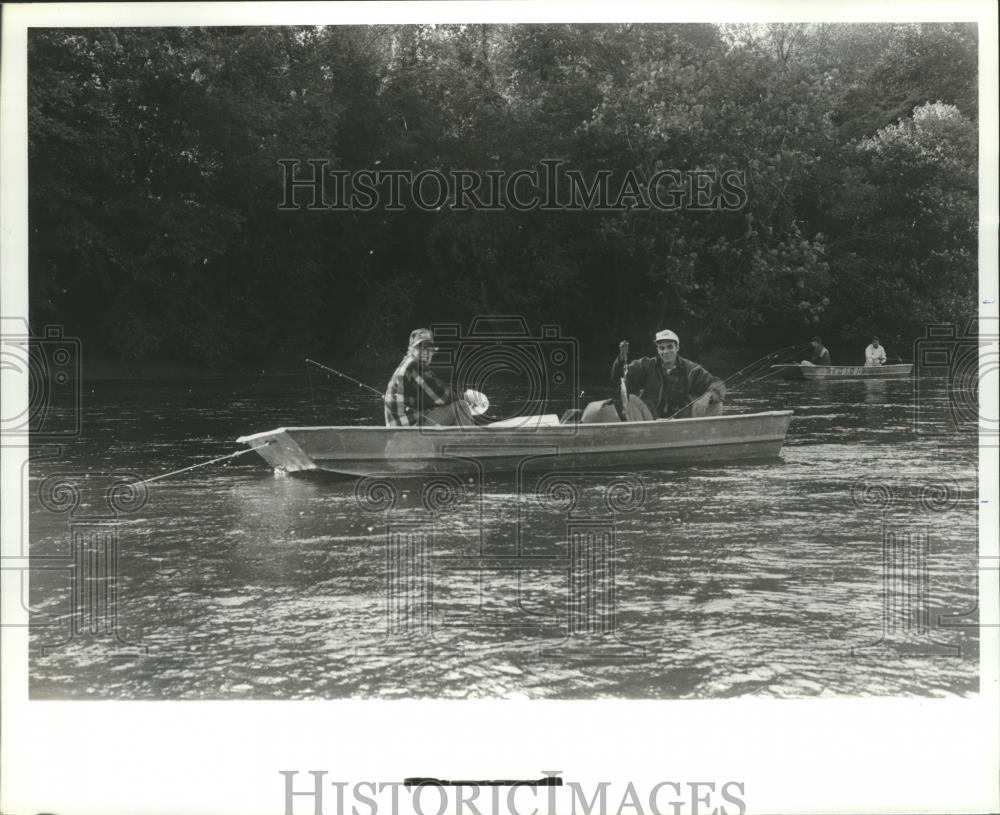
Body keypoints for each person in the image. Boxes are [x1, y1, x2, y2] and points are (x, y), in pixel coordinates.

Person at [610, 329, 725, 420]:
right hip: (650, 418)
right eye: (662, 348)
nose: (665, 351)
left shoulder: (691, 369)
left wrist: (709, 395)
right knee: (632, 399)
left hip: (681, 419)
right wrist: (621, 359)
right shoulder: (646, 365)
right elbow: (618, 377)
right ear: (658, 350)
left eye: (670, 347)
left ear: (677, 347)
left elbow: (718, 385)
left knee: (715, 403)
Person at [384, 328, 473, 427]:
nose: (425, 352)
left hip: (399, 431)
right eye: (421, 348)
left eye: (429, 348)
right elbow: (441, 397)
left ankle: (461, 438)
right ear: (412, 349)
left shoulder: (407, 364)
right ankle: (468, 440)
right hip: (407, 432)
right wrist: (466, 396)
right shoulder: (414, 366)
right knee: (461, 406)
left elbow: (433, 398)